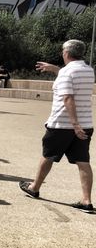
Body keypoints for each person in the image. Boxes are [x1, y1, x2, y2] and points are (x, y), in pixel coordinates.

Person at [19, 40, 94, 212]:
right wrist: (55, 69)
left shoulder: (66, 73)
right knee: (83, 162)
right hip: (86, 124)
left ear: (66, 53)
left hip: (62, 124)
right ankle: (86, 201)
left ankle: (34, 187)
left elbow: (68, 98)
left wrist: (74, 124)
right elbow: (71, 78)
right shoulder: (88, 70)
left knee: (48, 155)